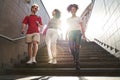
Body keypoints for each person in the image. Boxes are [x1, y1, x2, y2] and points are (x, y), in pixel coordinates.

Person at [67, 4, 86, 70]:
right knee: (71, 47)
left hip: (78, 33)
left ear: (76, 10)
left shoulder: (79, 18)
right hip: (71, 33)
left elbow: (82, 26)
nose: (73, 10)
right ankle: (75, 58)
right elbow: (68, 28)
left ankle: (77, 63)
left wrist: (84, 34)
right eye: (72, 9)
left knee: (77, 47)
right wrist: (66, 35)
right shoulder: (68, 19)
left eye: (74, 9)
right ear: (70, 10)